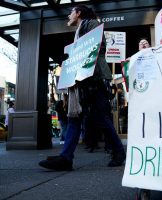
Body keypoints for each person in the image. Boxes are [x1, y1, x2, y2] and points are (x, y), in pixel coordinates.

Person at [39, 5, 126, 171]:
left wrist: (75, 58)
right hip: (81, 80)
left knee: (101, 117)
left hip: (95, 78)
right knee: (74, 118)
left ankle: (118, 151)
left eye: (71, 12)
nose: (68, 16)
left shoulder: (91, 23)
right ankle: (66, 158)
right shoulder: (79, 30)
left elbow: (96, 48)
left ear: (78, 13)